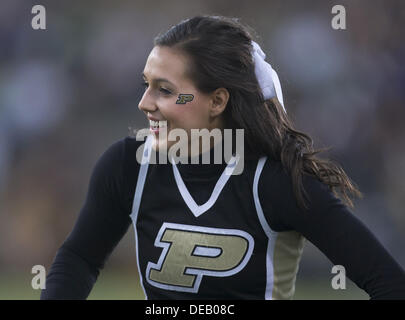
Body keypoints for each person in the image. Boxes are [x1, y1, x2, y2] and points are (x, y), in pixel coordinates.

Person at [41, 15, 405, 300]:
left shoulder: (273, 182)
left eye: (165, 90)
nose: (144, 103)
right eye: (146, 84)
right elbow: (80, 258)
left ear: (217, 101)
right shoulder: (128, 165)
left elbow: (388, 283)